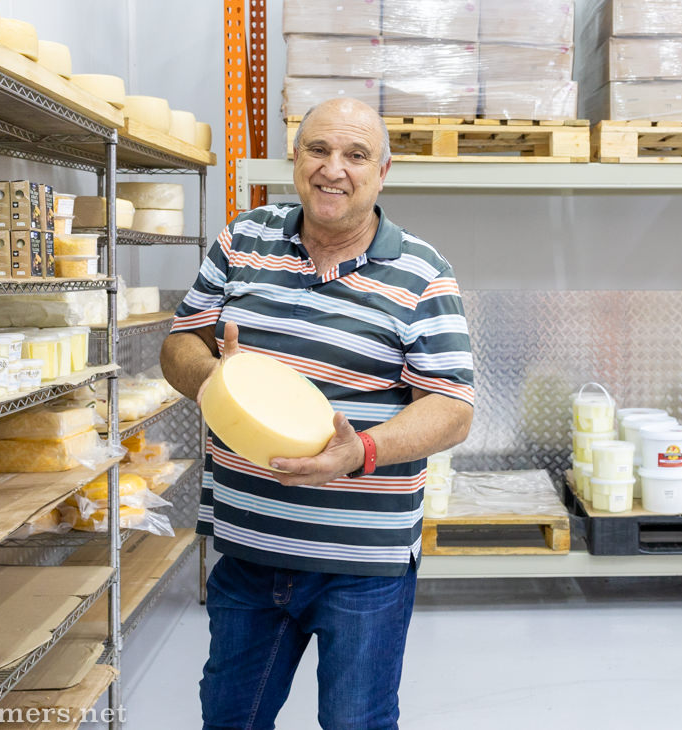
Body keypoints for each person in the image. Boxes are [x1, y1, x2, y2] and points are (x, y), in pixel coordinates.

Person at [160, 97, 475, 730]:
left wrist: (361, 452)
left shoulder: (422, 272)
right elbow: (180, 344)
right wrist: (218, 380)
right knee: (230, 719)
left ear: (382, 172)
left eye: (356, 155)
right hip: (249, 551)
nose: (334, 169)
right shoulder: (243, 241)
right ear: (295, 158)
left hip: (362, 568)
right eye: (318, 150)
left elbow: (451, 406)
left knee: (356, 722)